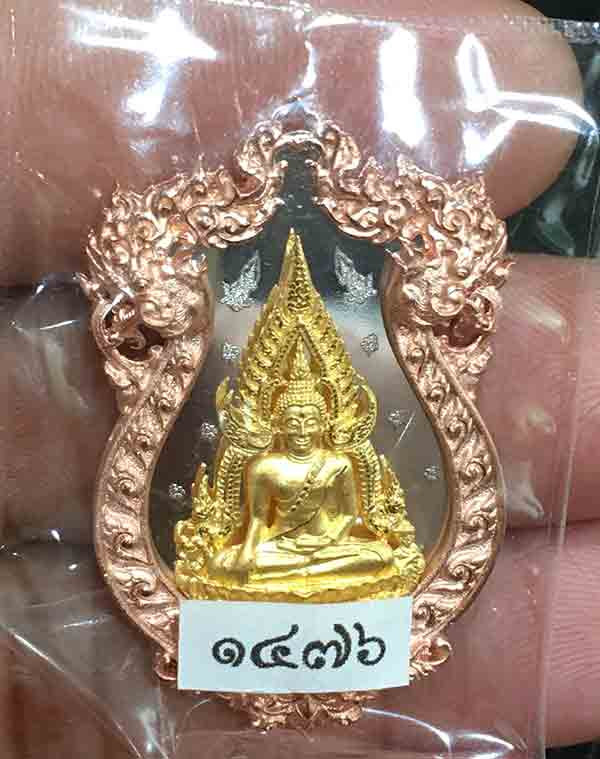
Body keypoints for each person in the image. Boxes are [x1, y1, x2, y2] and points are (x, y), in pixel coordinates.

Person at [0, 0, 598, 755]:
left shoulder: (341, 462)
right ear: (276, 415)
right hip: (271, 568)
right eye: (295, 415)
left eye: (315, 415)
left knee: (373, 558)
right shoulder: (268, 466)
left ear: (332, 412)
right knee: (242, 562)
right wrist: (251, 558)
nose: (305, 424)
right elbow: (254, 539)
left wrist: (353, 547)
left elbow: (359, 536)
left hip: (339, 568)